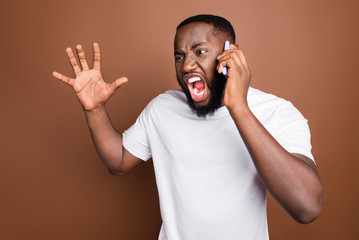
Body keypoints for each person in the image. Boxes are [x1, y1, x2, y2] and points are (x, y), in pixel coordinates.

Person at [53, 14, 322, 240]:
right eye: (179, 56)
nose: (187, 65)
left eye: (200, 51)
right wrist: (95, 110)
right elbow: (119, 160)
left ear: (231, 53)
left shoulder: (276, 112)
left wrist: (238, 107)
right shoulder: (162, 108)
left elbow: (307, 208)